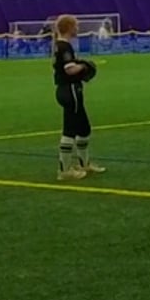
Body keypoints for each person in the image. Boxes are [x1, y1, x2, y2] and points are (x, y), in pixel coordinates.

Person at [50, 14, 101, 181]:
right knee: (70, 130)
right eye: (76, 26)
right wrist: (84, 66)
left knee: (84, 129)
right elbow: (69, 69)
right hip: (70, 90)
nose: (78, 29)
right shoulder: (64, 46)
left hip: (68, 90)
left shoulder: (59, 45)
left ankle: (84, 163)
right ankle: (64, 170)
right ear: (69, 28)